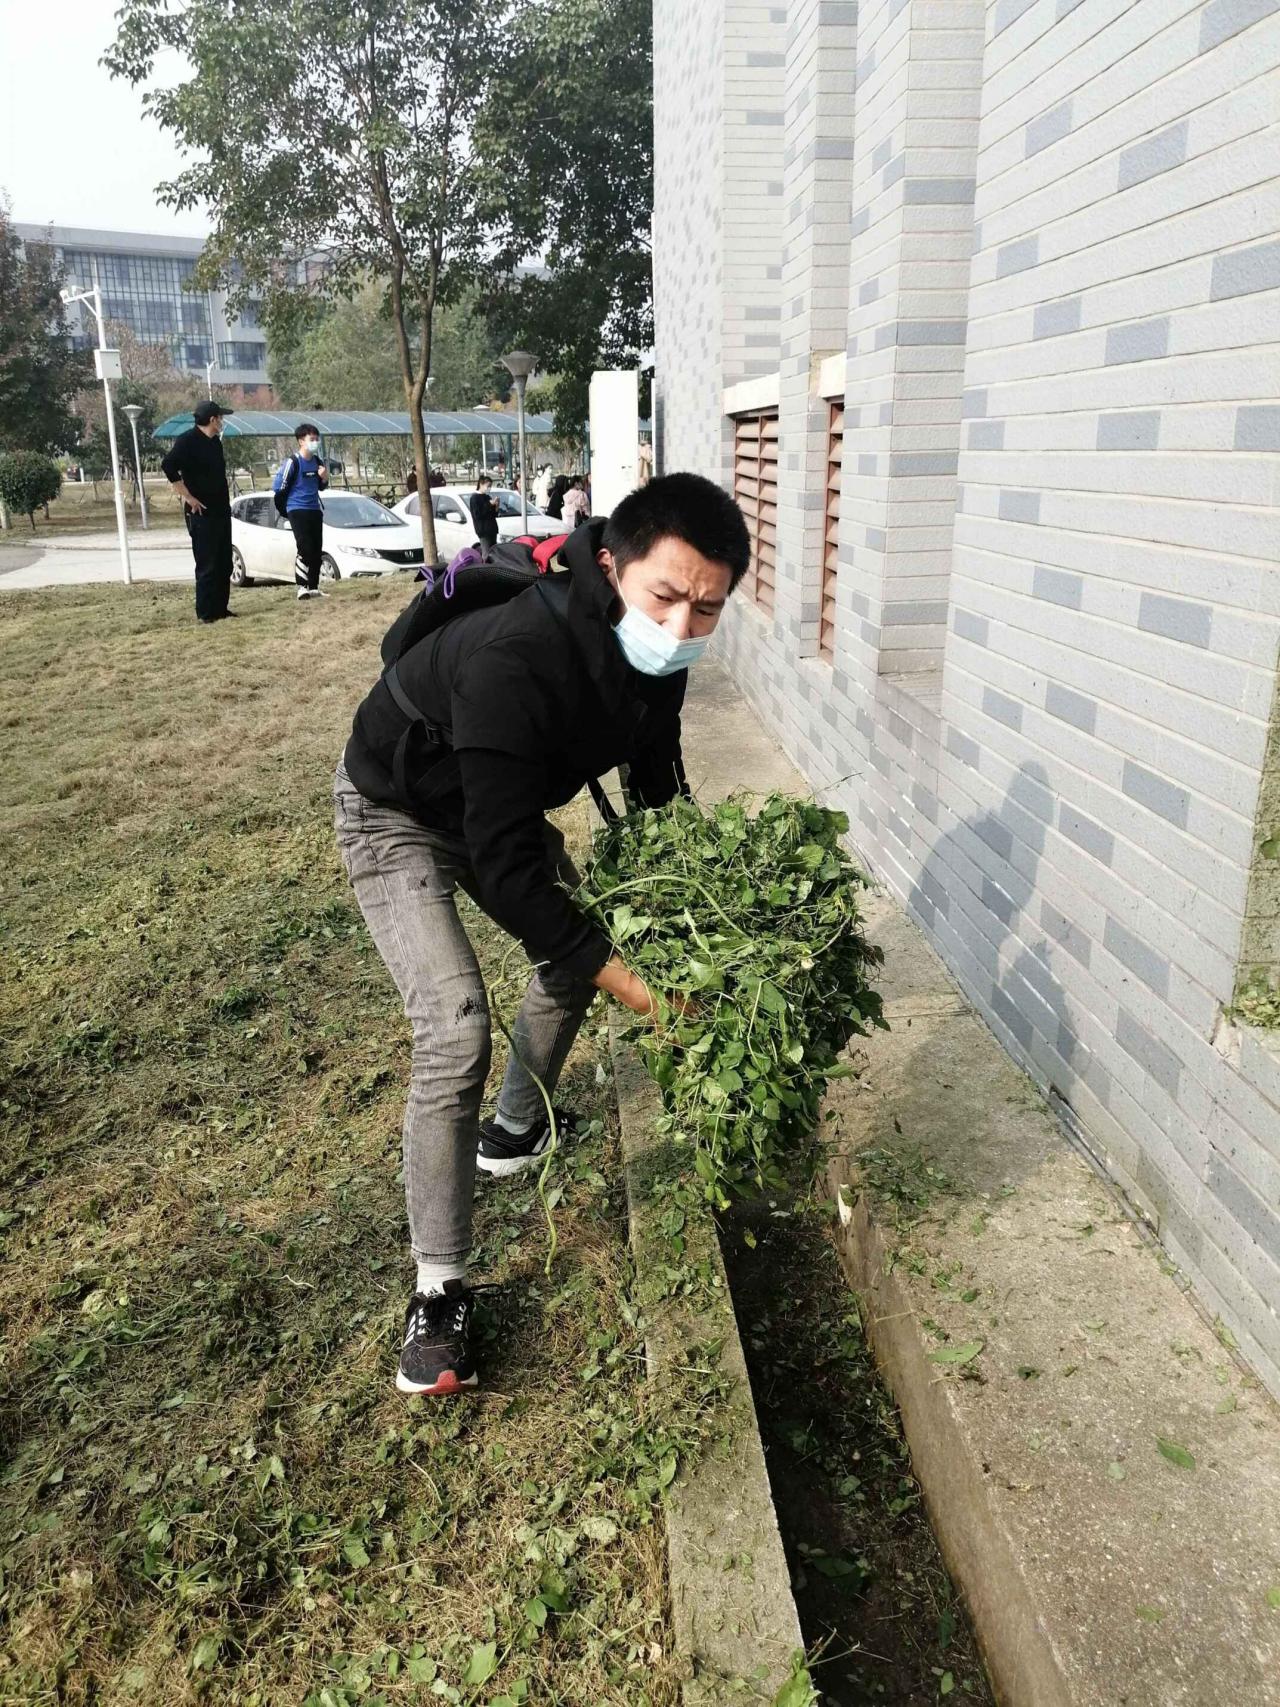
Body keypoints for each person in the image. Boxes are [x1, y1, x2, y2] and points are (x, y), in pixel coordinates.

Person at [334, 473, 751, 1396]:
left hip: (497, 808)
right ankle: (439, 1291)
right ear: (611, 564)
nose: (681, 625)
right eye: (665, 596)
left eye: (707, 609)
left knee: (580, 948)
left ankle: (515, 1129)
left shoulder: (662, 663)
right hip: (396, 808)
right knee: (455, 1027)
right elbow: (512, 868)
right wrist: (640, 986)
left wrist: (697, 909)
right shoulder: (520, 655)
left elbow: (656, 793)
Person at [161, 400, 236, 624]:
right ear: (213, 419)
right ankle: (206, 612)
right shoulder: (187, 441)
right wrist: (188, 496)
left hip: (221, 510)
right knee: (207, 564)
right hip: (201, 513)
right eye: (220, 418)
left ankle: (221, 608)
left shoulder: (215, 442)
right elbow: (168, 466)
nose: (222, 422)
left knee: (224, 562)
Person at [274, 422, 331, 601]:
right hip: (297, 509)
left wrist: (324, 478)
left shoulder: (317, 462)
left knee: (316, 549)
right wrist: (285, 510)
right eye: (311, 439)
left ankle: (313, 587)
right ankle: (302, 587)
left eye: (317, 439)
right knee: (304, 548)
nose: (315, 442)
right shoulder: (293, 462)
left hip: (314, 509)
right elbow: (279, 488)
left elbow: (321, 487)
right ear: (301, 441)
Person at [468, 474, 500, 549]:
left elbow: (494, 514)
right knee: (486, 551)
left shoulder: (487, 497)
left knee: (494, 551)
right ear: (481, 484)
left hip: (492, 529)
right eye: (488, 486)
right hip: (483, 530)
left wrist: (496, 506)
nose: (489, 488)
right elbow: (477, 515)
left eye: (490, 486)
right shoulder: (474, 498)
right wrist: (489, 504)